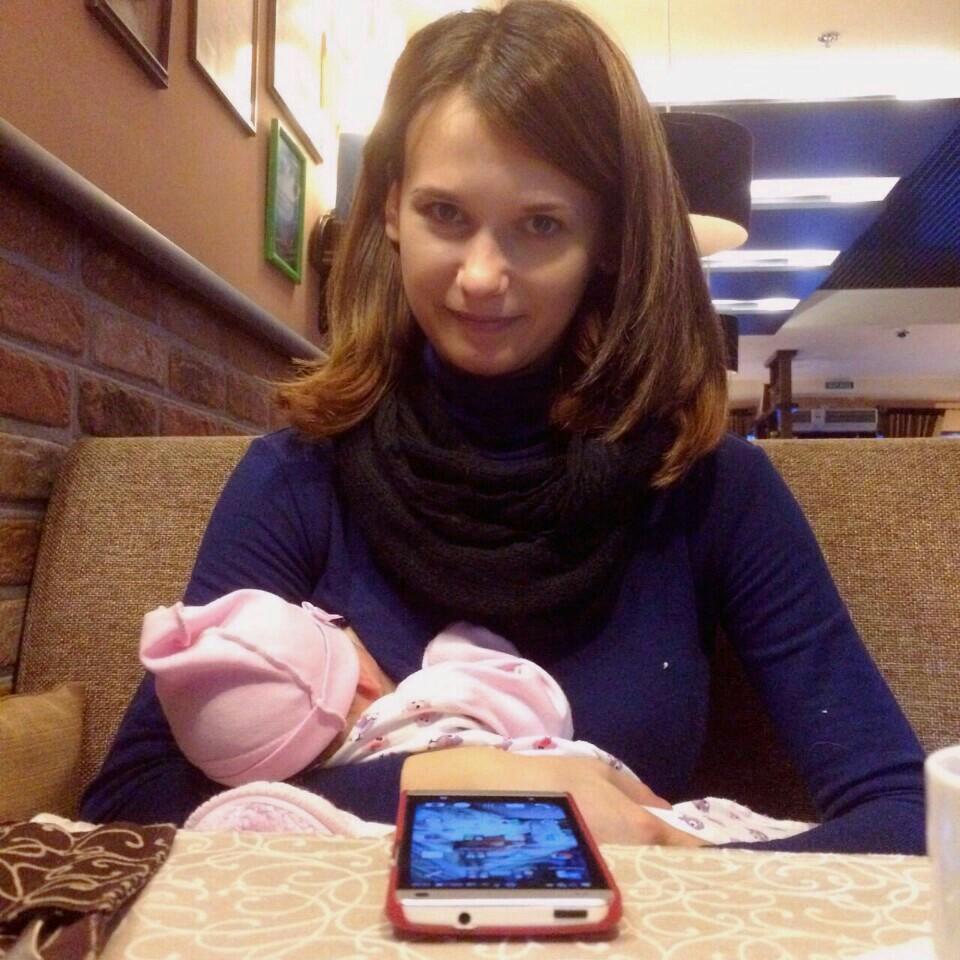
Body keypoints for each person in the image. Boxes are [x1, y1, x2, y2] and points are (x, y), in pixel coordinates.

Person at [82, 0, 925, 852]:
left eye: (541, 224)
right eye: (445, 214)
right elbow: (128, 805)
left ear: (608, 238)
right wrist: (484, 784)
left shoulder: (710, 486)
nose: (483, 277)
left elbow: (905, 816)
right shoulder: (297, 478)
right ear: (390, 209)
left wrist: (663, 846)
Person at [138, 589, 812, 845]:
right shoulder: (436, 692)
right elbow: (537, 698)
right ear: (364, 678)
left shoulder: (289, 814)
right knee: (722, 829)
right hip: (614, 800)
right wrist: (458, 648)